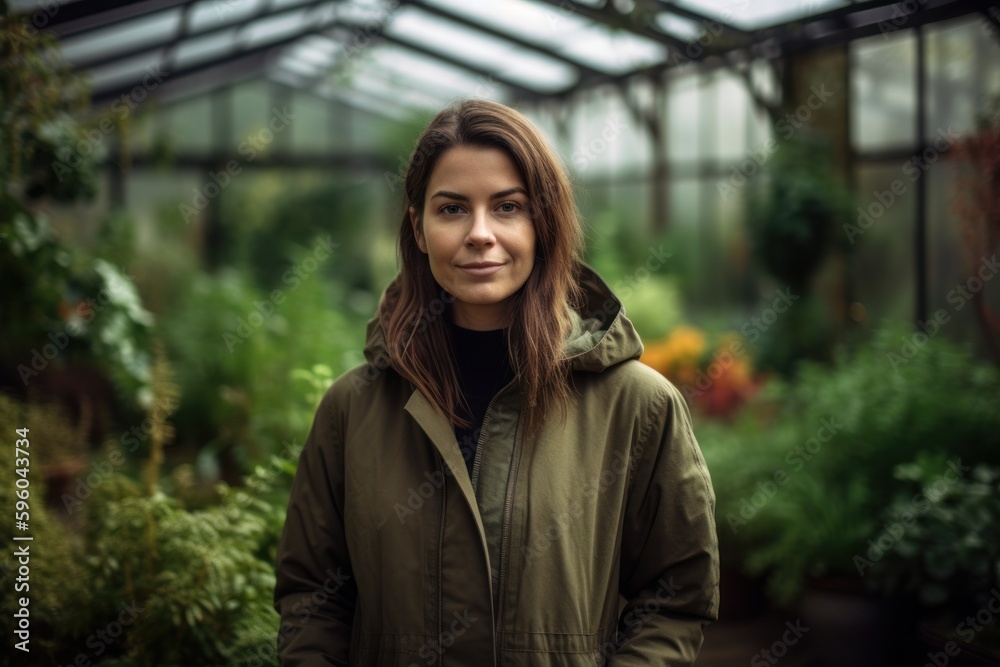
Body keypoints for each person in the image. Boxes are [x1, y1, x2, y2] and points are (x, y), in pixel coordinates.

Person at [273, 98, 719, 666]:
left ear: (543, 223)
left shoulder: (637, 407)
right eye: (452, 209)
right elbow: (313, 597)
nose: (480, 234)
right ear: (418, 226)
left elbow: (676, 598)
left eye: (508, 207)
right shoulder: (353, 410)